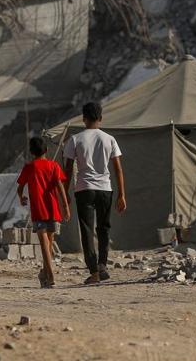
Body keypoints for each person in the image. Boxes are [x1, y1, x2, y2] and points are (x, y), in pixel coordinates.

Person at [62, 101, 126, 285]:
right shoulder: (109, 139)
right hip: (105, 188)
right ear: (101, 118)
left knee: (87, 230)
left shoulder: (75, 139)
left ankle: (93, 271)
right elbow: (118, 169)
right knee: (104, 228)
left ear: (83, 118)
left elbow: (67, 170)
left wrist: (65, 193)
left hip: (84, 189)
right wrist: (122, 194)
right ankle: (103, 264)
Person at [16, 135, 71, 288]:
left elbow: (19, 188)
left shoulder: (29, 167)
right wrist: (65, 206)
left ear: (31, 152)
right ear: (46, 149)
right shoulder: (53, 166)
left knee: (45, 245)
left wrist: (22, 198)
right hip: (53, 210)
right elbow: (60, 187)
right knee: (49, 243)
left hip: (39, 210)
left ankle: (49, 275)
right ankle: (45, 273)